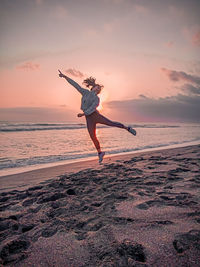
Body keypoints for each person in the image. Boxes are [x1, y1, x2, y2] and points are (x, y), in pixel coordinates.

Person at [58, 70, 136, 164]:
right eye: (97, 87)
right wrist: (65, 76)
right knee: (92, 136)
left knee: (111, 123)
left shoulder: (97, 98)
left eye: (99, 89)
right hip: (88, 118)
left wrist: (83, 114)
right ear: (93, 87)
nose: (98, 89)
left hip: (95, 116)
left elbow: (93, 108)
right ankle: (100, 153)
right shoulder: (85, 92)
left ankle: (127, 128)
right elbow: (75, 85)